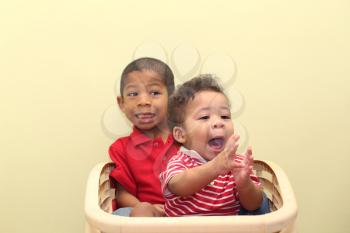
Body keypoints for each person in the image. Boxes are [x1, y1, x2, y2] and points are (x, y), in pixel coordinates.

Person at [160, 74, 268, 216]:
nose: (219, 122)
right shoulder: (180, 162)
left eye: (225, 116)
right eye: (205, 117)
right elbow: (179, 186)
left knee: (263, 203)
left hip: (227, 229)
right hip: (184, 229)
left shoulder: (238, 164)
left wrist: (244, 184)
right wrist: (216, 166)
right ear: (181, 134)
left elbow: (253, 205)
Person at [109, 57, 179, 217]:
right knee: (122, 214)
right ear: (121, 103)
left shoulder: (188, 139)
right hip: (147, 220)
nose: (144, 101)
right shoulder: (121, 148)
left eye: (154, 93)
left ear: (172, 99)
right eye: (133, 94)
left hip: (190, 216)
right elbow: (122, 195)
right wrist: (147, 208)